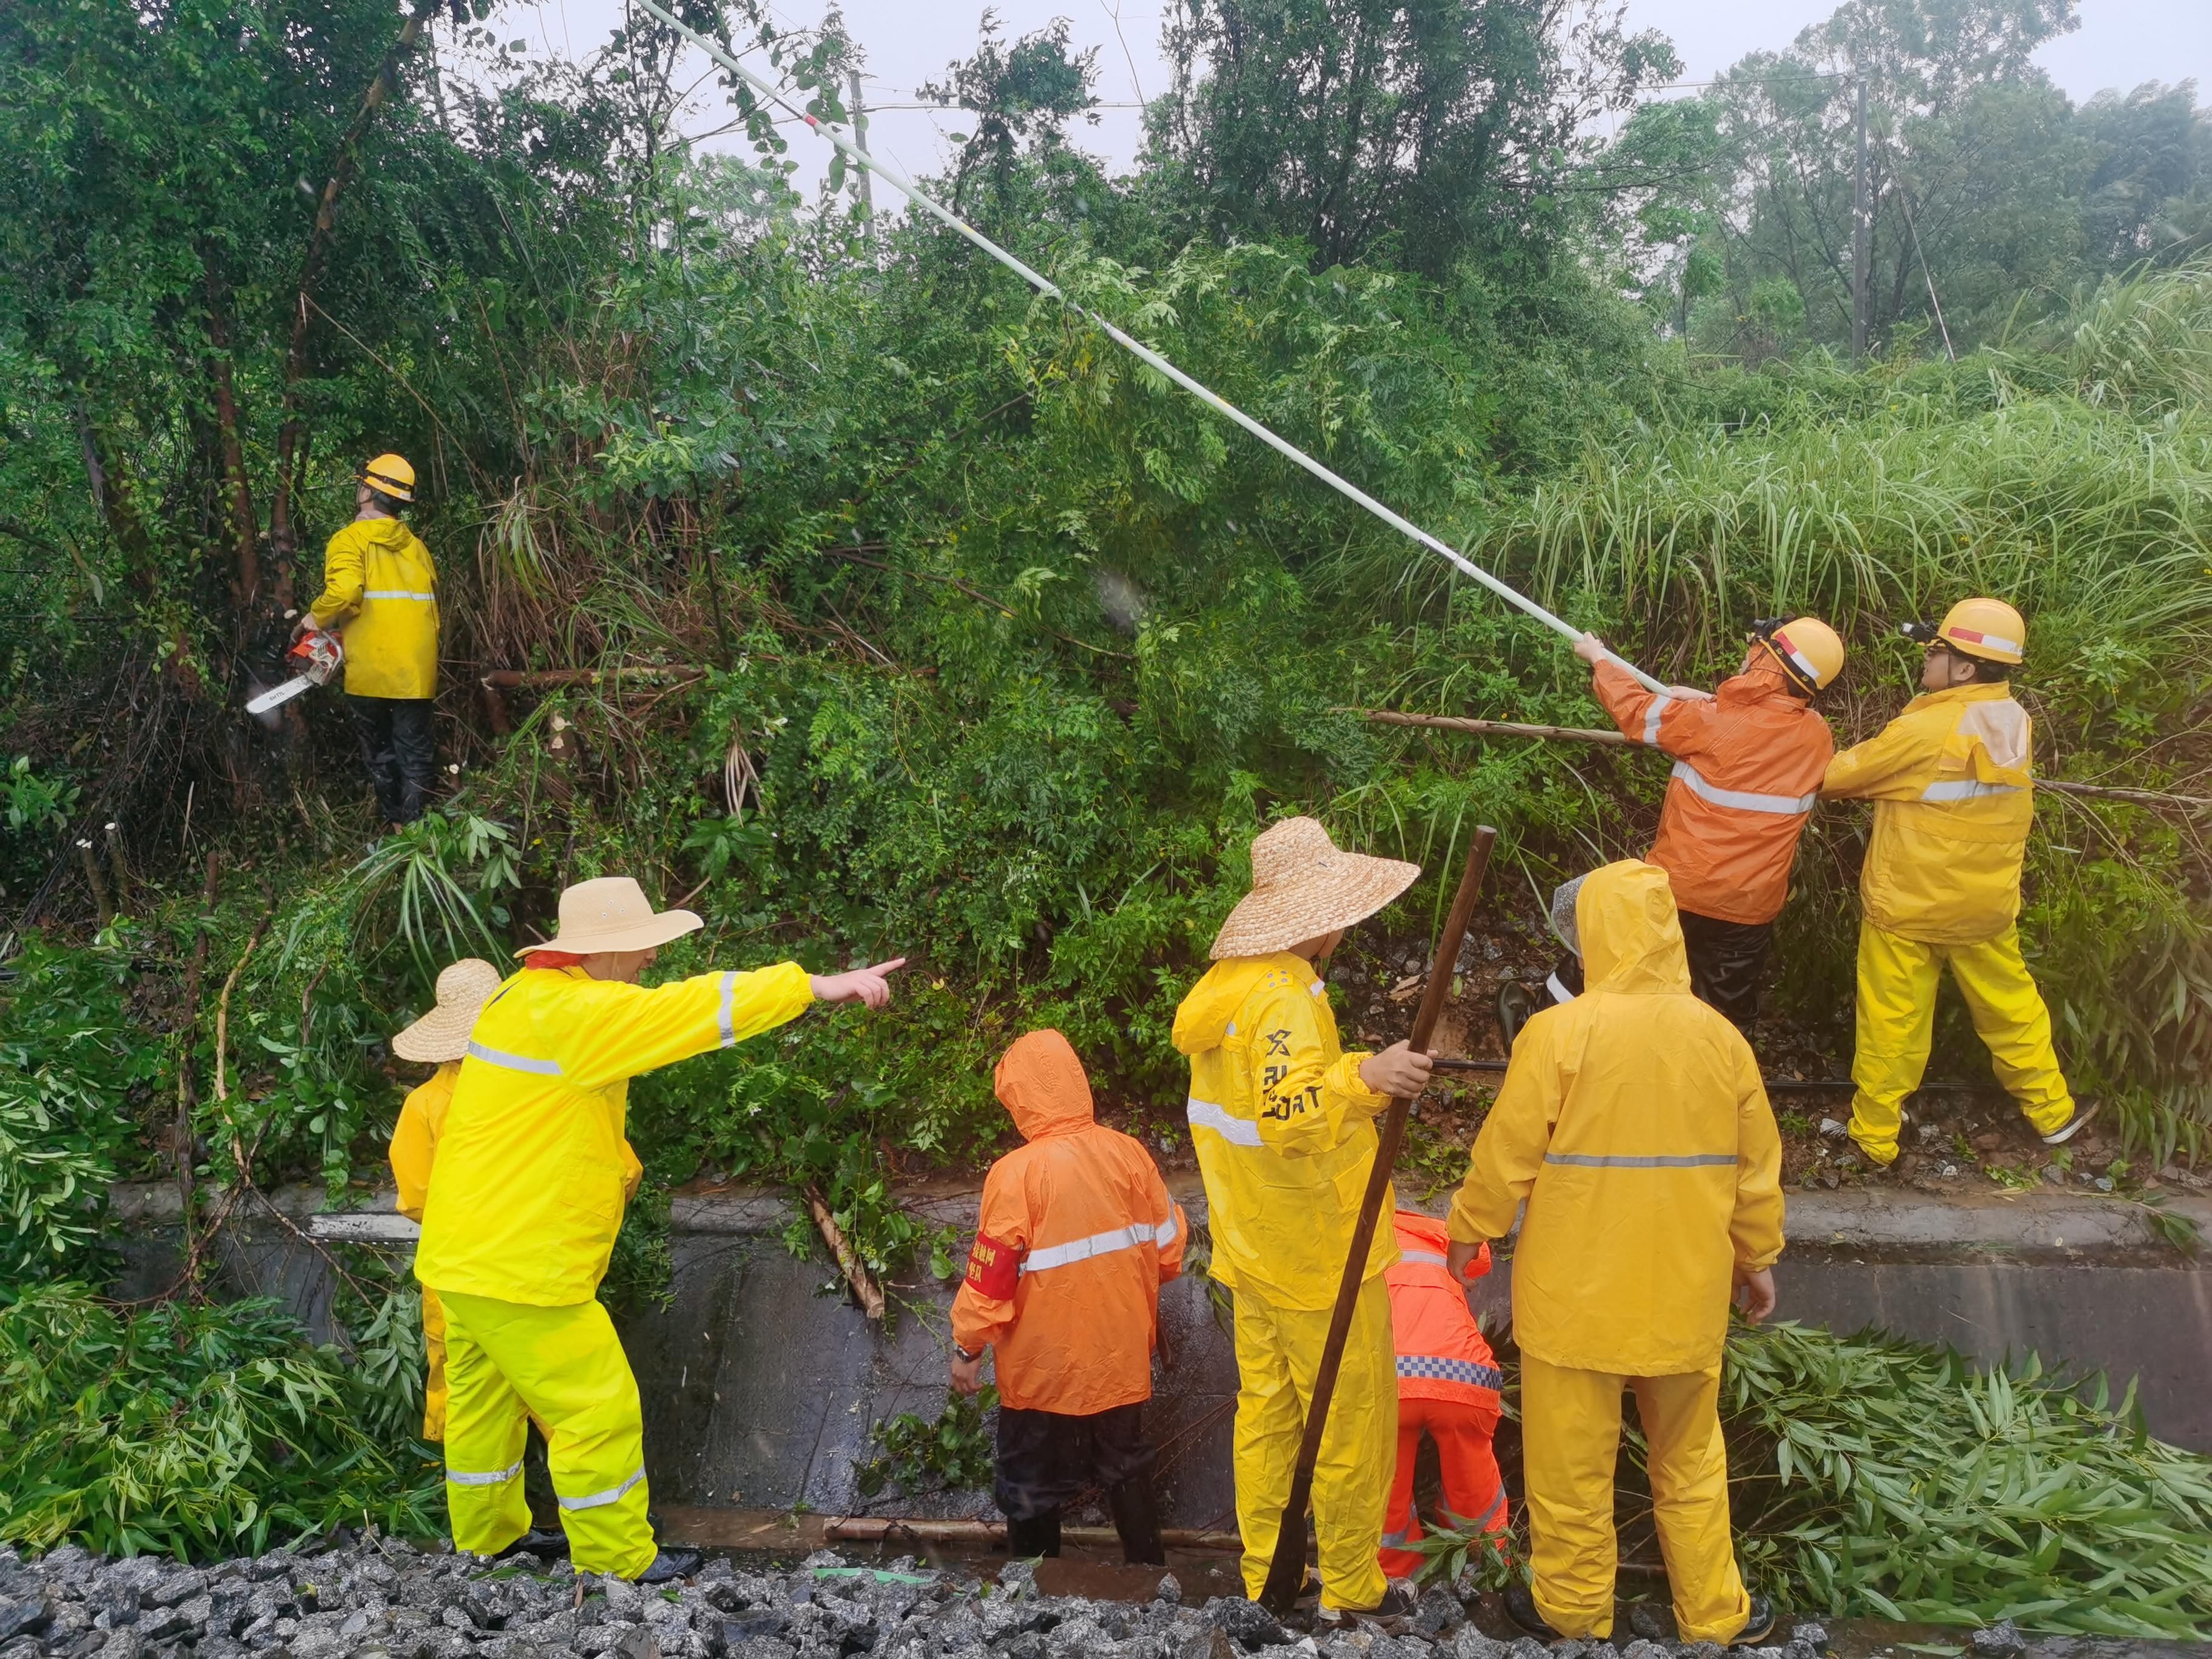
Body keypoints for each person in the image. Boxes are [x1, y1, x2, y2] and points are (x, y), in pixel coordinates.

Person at [413, 876, 905, 1581]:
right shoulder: (579, 1016)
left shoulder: (518, 999)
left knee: (484, 1407)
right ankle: (616, 1564)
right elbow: (693, 1009)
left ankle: (487, 1542)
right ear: (605, 951)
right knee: (596, 1406)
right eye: (642, 946)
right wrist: (811, 986)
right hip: (519, 1267)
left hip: (462, 1255)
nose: (650, 959)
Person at [1444, 859, 1783, 1647]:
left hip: (1575, 1308)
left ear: (1593, 935)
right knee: (1692, 1465)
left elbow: (1506, 1155)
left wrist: (1469, 1230)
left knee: (1570, 1474)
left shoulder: (1559, 1034)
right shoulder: (1721, 1041)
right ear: (1668, 933)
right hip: (1683, 1305)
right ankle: (1716, 1618)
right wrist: (1755, 1257)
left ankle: (1571, 1612)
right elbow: (1754, 1169)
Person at [1171, 816, 1435, 1621]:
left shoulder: (1225, 995)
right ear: (1316, 915)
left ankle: (1267, 1580)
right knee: (1352, 1426)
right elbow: (1292, 1118)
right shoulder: (1281, 999)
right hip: (1320, 1255)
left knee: (1270, 1420)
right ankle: (1352, 1589)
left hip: (1253, 1252)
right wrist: (1370, 1076)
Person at [1820, 598, 2093, 1167]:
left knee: (1892, 1023)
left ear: (1964, 668)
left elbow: (1837, 778)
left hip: (1909, 905)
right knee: (2012, 1007)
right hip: (1985, 906)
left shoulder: (1927, 727)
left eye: (1937, 650)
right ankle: (2053, 1113)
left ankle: (1874, 1137)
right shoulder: (2013, 719)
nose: (1927, 657)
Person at [948, 1028, 1187, 1564]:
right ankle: (1150, 1581)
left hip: (1042, 1372)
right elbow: (1170, 1253)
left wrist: (968, 1350)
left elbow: (990, 1280)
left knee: (1029, 1484)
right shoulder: (1130, 1155)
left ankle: (1034, 1599)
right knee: (1127, 1468)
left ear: (1021, 1100)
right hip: (1119, 1361)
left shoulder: (1014, 1175)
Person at [1572, 618, 1844, 1030]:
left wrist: (1600, 661)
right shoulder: (1818, 735)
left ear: (1769, 665)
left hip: (1682, 889)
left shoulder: (1709, 722)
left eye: (1757, 651)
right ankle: (1715, 1085)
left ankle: (1557, 1034)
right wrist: (1705, 700)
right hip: (1750, 907)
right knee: (1723, 1018)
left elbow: (1638, 713)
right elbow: (1764, 724)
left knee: (1624, 975)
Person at [387, 957, 503, 1442]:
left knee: (462, 1391)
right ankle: (580, 1507)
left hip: (454, 1268)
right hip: (536, 1263)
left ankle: (465, 1505)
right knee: (550, 1390)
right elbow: (620, 1170)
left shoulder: (425, 1104)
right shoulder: (537, 1091)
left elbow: (416, 1197)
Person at [296, 454, 440, 828]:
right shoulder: (418, 548)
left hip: (371, 672)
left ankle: (397, 832)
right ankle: (419, 841)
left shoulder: (349, 540)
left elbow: (345, 591)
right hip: (416, 671)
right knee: (416, 757)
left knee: (381, 754)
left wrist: (316, 617)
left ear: (367, 492)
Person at [1376, 1210, 1507, 1584]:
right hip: (1464, 1378)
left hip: (1388, 1378)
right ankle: (1483, 1569)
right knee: (1472, 1480)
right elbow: (1479, 1260)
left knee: (1385, 1483)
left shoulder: (1361, 1238)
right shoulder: (1443, 1237)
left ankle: (1393, 1578)